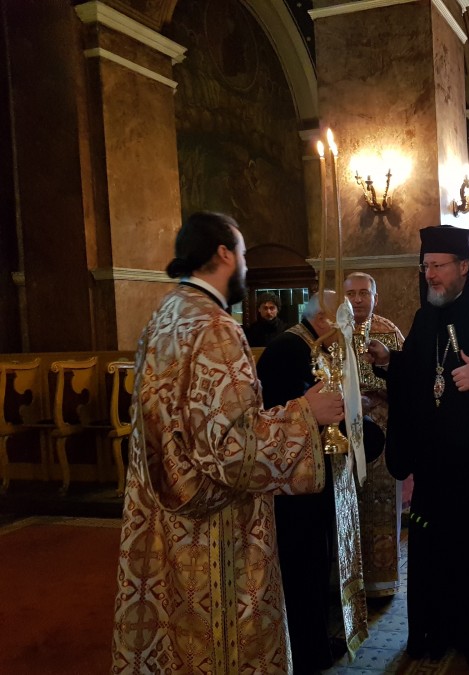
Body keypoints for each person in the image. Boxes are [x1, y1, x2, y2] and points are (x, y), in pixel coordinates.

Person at [111, 212, 344, 674]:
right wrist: (305, 412)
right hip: (213, 523)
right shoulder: (216, 326)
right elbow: (233, 449)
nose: (246, 266)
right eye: (242, 254)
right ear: (223, 253)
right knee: (219, 642)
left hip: (162, 508)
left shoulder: (165, 315)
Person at [367, 225, 469, 672]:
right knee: (433, 547)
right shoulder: (425, 317)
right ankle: (436, 629)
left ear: (464, 266)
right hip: (436, 461)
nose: (430, 275)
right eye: (426, 266)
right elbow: (418, 373)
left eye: (437, 266)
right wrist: (389, 361)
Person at [256, 290, 382, 673]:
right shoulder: (288, 348)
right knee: (302, 568)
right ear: (325, 319)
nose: (349, 327)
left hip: (318, 476)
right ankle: (306, 652)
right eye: (344, 319)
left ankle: (318, 641)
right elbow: (284, 415)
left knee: (318, 562)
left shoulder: (314, 345)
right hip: (294, 486)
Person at [344, 271, 406, 598]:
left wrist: (380, 389)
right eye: (351, 294)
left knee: (381, 502)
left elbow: (408, 379)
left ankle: (381, 582)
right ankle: (346, 580)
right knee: (348, 503)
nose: (357, 300)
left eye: (363, 293)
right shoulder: (332, 333)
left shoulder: (389, 332)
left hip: (382, 429)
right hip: (344, 432)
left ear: (375, 297)